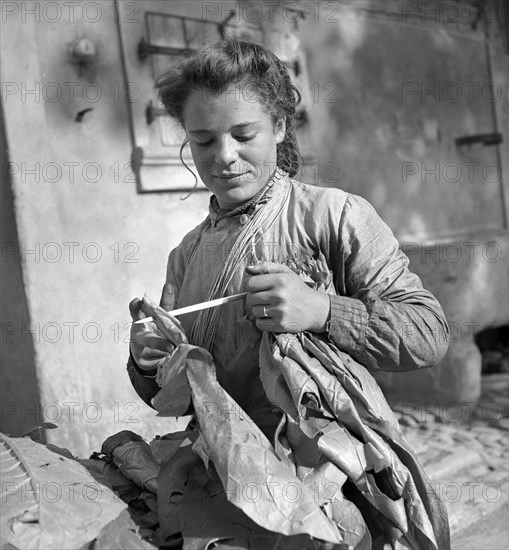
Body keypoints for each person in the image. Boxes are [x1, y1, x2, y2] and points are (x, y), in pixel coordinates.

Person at [127, 39, 450, 550]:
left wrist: (320, 308)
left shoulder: (334, 215)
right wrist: (150, 363)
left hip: (327, 486)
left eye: (243, 134)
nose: (224, 156)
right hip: (222, 478)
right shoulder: (185, 255)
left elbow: (428, 334)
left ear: (278, 126)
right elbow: (171, 399)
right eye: (204, 139)